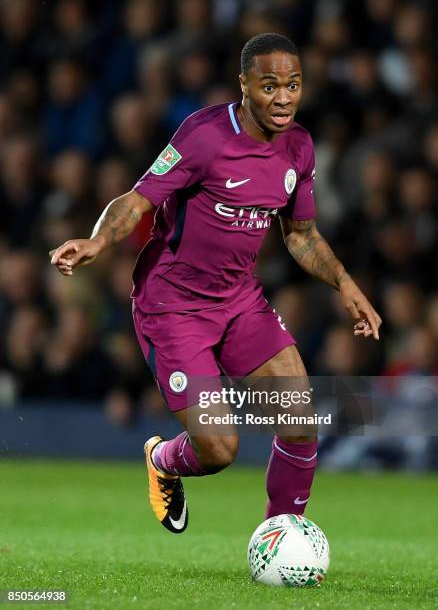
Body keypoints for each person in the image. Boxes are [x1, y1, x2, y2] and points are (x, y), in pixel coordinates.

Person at [50, 33, 382, 534]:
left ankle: (281, 536)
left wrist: (346, 285)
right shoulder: (204, 135)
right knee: (220, 449)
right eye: (270, 85)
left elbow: (301, 235)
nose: (284, 97)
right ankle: (164, 459)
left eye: (293, 84)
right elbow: (137, 199)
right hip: (173, 307)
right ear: (244, 84)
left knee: (298, 416)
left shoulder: (299, 147)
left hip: (240, 302)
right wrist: (98, 241)